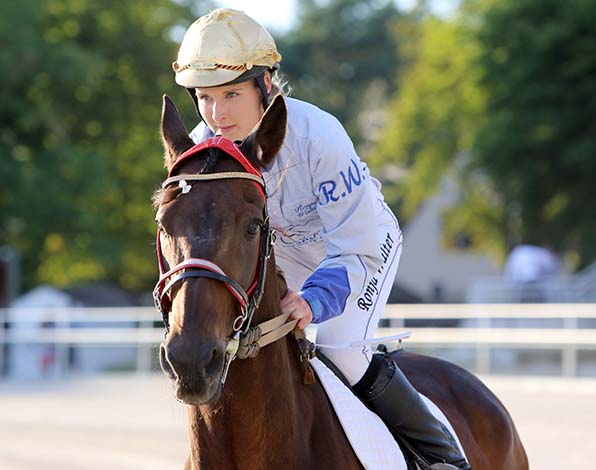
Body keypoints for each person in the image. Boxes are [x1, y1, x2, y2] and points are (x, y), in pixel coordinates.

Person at [172, 9, 471, 470]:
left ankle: (440, 455)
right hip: (280, 255)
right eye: (206, 98)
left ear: (265, 85)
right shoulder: (201, 151)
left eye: (232, 94)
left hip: (359, 247)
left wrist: (314, 301)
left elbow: (354, 244)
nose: (218, 113)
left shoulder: (319, 136)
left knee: (339, 348)